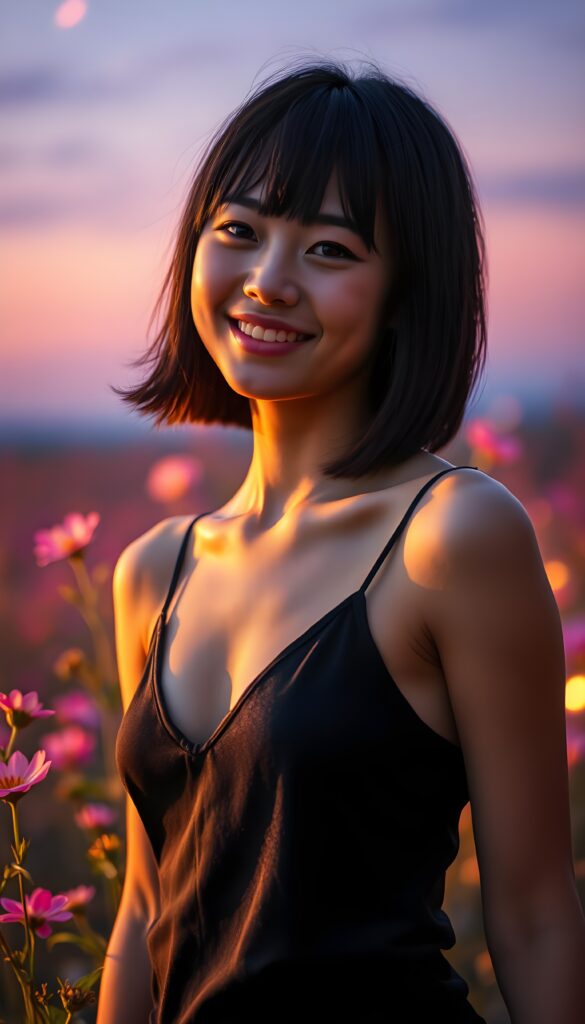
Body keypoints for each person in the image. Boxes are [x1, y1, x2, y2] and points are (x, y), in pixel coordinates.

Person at [97, 56, 585, 1024]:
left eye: (329, 249)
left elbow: (533, 912)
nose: (268, 283)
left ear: (409, 290)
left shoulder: (453, 537)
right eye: (238, 231)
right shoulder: (153, 569)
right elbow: (147, 910)